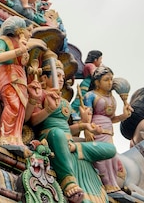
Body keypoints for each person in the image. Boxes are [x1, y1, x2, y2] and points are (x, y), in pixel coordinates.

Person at [29, 56, 116, 203]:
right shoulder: (41, 94)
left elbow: (68, 128)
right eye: (57, 76)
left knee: (110, 149)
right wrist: (49, 109)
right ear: (44, 77)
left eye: (63, 76)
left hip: (69, 142)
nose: (61, 79)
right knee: (58, 134)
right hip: (51, 137)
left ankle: (74, 149)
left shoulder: (63, 101)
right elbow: (32, 120)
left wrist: (84, 126)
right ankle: (68, 181)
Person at [0, 15, 45, 155]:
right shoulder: (4, 40)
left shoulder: (23, 44)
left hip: (20, 78)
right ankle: (4, 137)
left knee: (21, 109)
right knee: (13, 105)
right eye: (29, 30)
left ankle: (16, 139)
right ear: (20, 29)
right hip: (7, 75)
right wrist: (19, 50)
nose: (30, 34)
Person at [83, 66, 135, 202]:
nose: (110, 82)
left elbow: (112, 119)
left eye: (111, 79)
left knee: (111, 158)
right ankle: (106, 185)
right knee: (101, 159)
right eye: (106, 80)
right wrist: (87, 129)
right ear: (97, 82)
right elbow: (86, 114)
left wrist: (124, 115)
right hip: (96, 129)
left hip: (109, 131)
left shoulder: (111, 98)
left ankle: (113, 186)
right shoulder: (90, 95)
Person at [71, 50, 103, 120]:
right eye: (100, 59)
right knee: (79, 100)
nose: (101, 62)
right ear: (95, 59)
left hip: (90, 86)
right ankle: (72, 111)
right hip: (87, 84)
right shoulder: (90, 65)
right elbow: (95, 75)